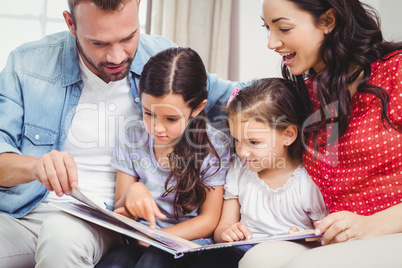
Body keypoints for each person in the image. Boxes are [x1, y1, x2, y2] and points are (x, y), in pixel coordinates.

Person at [0, 1, 244, 267]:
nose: (117, 57)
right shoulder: (27, 64)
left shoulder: (166, 60)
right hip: (22, 212)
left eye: (128, 38)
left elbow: (246, 97)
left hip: (97, 221)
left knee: (61, 236)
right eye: (99, 43)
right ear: (71, 24)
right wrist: (36, 166)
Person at [239, 0, 402, 267]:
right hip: (337, 237)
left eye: (283, 28)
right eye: (267, 28)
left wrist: (374, 225)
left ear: (327, 21)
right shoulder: (308, 92)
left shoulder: (396, 71)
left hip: (391, 230)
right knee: (258, 259)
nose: (271, 43)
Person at [95, 47, 232, 268]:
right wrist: (131, 194)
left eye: (170, 118)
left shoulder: (214, 145)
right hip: (141, 238)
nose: (157, 128)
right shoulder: (132, 134)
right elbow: (123, 212)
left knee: (154, 261)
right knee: (114, 263)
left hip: (188, 243)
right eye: (149, 113)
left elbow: (209, 220)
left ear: (197, 107)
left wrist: (155, 239)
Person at [187, 78, 329, 268]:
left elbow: (323, 239)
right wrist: (229, 232)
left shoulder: (307, 181)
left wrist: (306, 240)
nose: (242, 152)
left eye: (254, 142)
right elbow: (222, 230)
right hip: (240, 252)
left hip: (285, 257)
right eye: (237, 140)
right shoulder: (239, 170)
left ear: (288, 135)